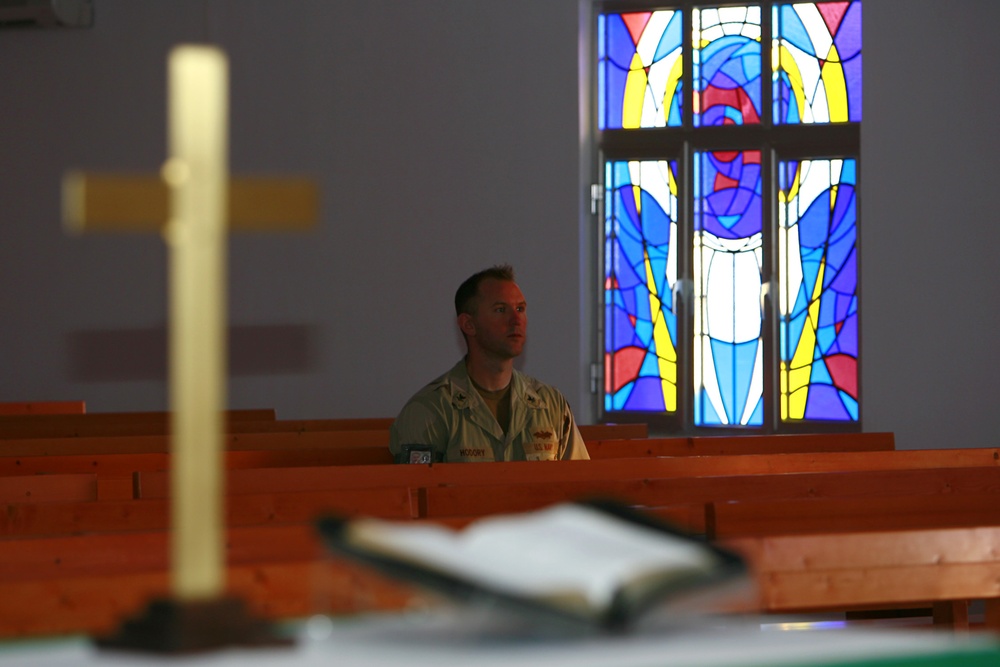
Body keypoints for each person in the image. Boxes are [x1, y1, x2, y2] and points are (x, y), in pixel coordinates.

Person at [389, 264, 590, 463]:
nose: (516, 319)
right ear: (469, 324)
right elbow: (416, 493)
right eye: (500, 309)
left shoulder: (550, 405)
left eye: (520, 308)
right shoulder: (430, 410)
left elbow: (579, 486)